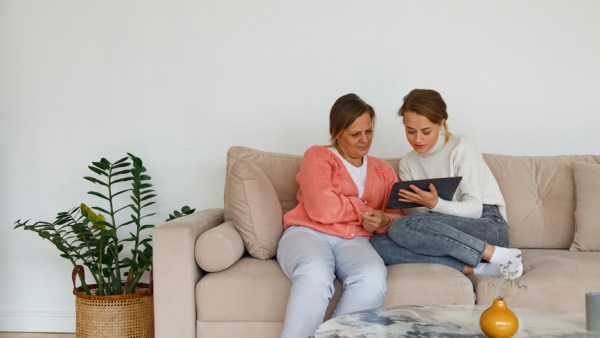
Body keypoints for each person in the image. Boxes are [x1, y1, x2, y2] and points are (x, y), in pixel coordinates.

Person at [277, 93, 403, 338]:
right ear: (336, 133)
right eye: (355, 134)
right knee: (314, 273)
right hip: (308, 233)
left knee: (373, 279)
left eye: (369, 132)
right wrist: (365, 211)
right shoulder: (318, 156)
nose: (364, 140)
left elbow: (396, 217)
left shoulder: (384, 170)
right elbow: (322, 209)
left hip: (356, 241)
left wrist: (384, 220)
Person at [370, 89, 524, 280]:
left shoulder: (461, 146)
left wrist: (435, 204)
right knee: (378, 245)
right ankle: (478, 269)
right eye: (410, 131)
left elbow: (475, 209)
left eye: (426, 131)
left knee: (400, 227)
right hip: (443, 234)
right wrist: (418, 209)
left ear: (441, 123)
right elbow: (422, 224)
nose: (417, 139)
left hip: (487, 225)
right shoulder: (407, 164)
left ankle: (498, 254)